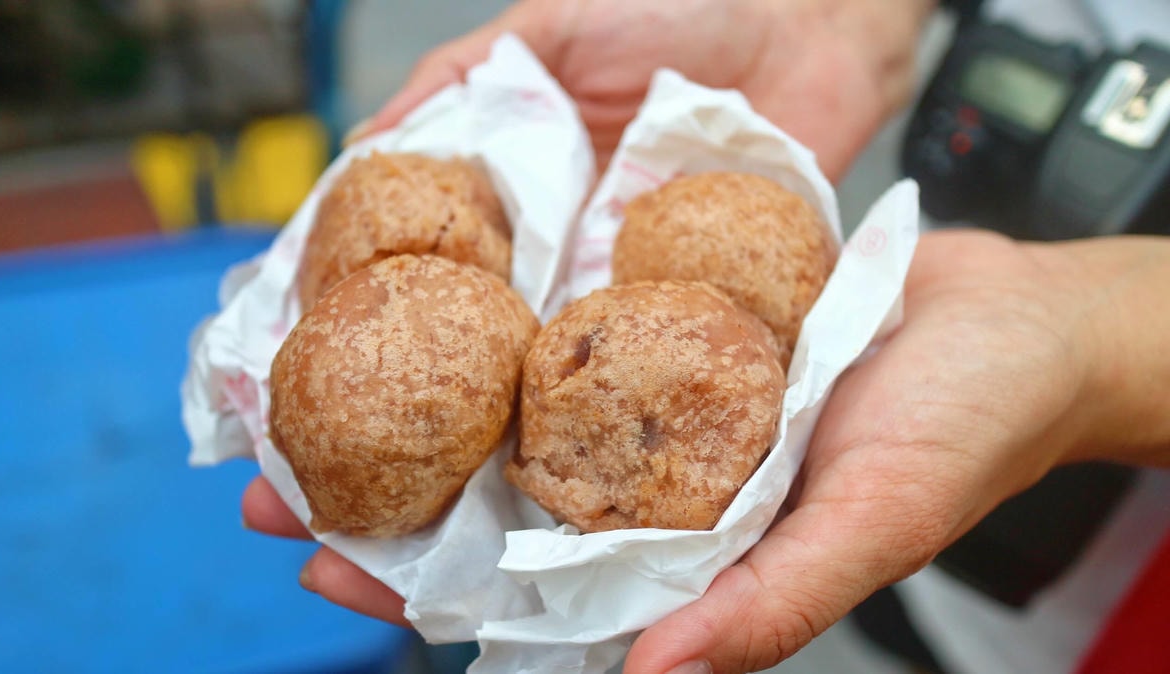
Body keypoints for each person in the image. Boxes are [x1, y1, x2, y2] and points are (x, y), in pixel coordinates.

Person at [241, 1, 1170, 672]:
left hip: (1104, 592)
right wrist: (836, 20)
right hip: (954, 560)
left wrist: (1094, 344)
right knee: (903, 630)